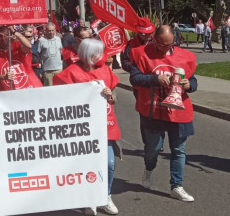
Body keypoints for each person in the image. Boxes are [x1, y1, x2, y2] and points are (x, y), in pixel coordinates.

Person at [129, 25, 198, 202]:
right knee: (153, 149)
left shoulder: (186, 57)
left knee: (179, 150)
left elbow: (193, 81)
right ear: (154, 39)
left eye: (170, 44)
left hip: (178, 111)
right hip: (153, 111)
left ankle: (177, 186)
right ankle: (149, 168)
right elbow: (134, 79)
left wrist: (190, 85)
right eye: (162, 45)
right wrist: (155, 78)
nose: (166, 48)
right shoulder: (140, 53)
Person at [53, 39, 121, 215]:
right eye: (97, 53)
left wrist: (110, 96)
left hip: (105, 125)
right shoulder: (70, 73)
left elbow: (114, 96)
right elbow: (60, 100)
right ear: (86, 54)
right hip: (82, 129)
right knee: (86, 165)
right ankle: (89, 198)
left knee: (109, 163)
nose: (101, 56)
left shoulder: (105, 70)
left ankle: (105, 196)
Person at [0, 25, 42, 91]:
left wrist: (14, 32)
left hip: (28, 87)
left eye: (6, 35)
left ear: (9, 35)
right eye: (0, 36)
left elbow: (28, 46)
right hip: (8, 92)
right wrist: (3, 77)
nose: (3, 38)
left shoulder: (17, 45)